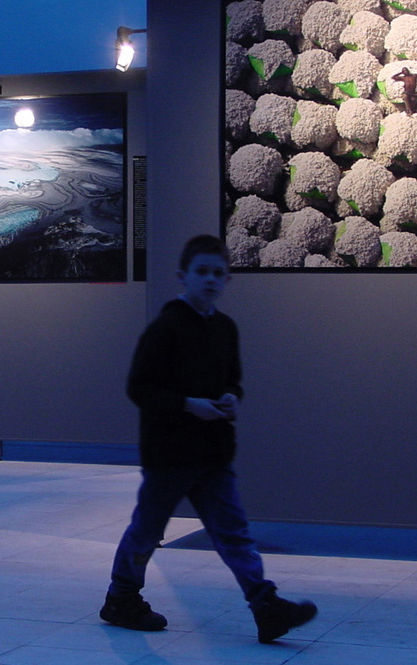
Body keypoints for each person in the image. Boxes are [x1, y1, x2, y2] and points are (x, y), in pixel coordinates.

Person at [101, 234, 317, 644]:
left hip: (213, 452)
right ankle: (122, 596)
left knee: (233, 530)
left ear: (228, 279)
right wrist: (187, 404)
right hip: (170, 453)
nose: (210, 280)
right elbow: (140, 387)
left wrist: (232, 397)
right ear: (183, 276)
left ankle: (264, 605)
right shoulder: (165, 327)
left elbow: (232, 379)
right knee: (148, 529)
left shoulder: (225, 329)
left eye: (218, 273)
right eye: (202, 272)